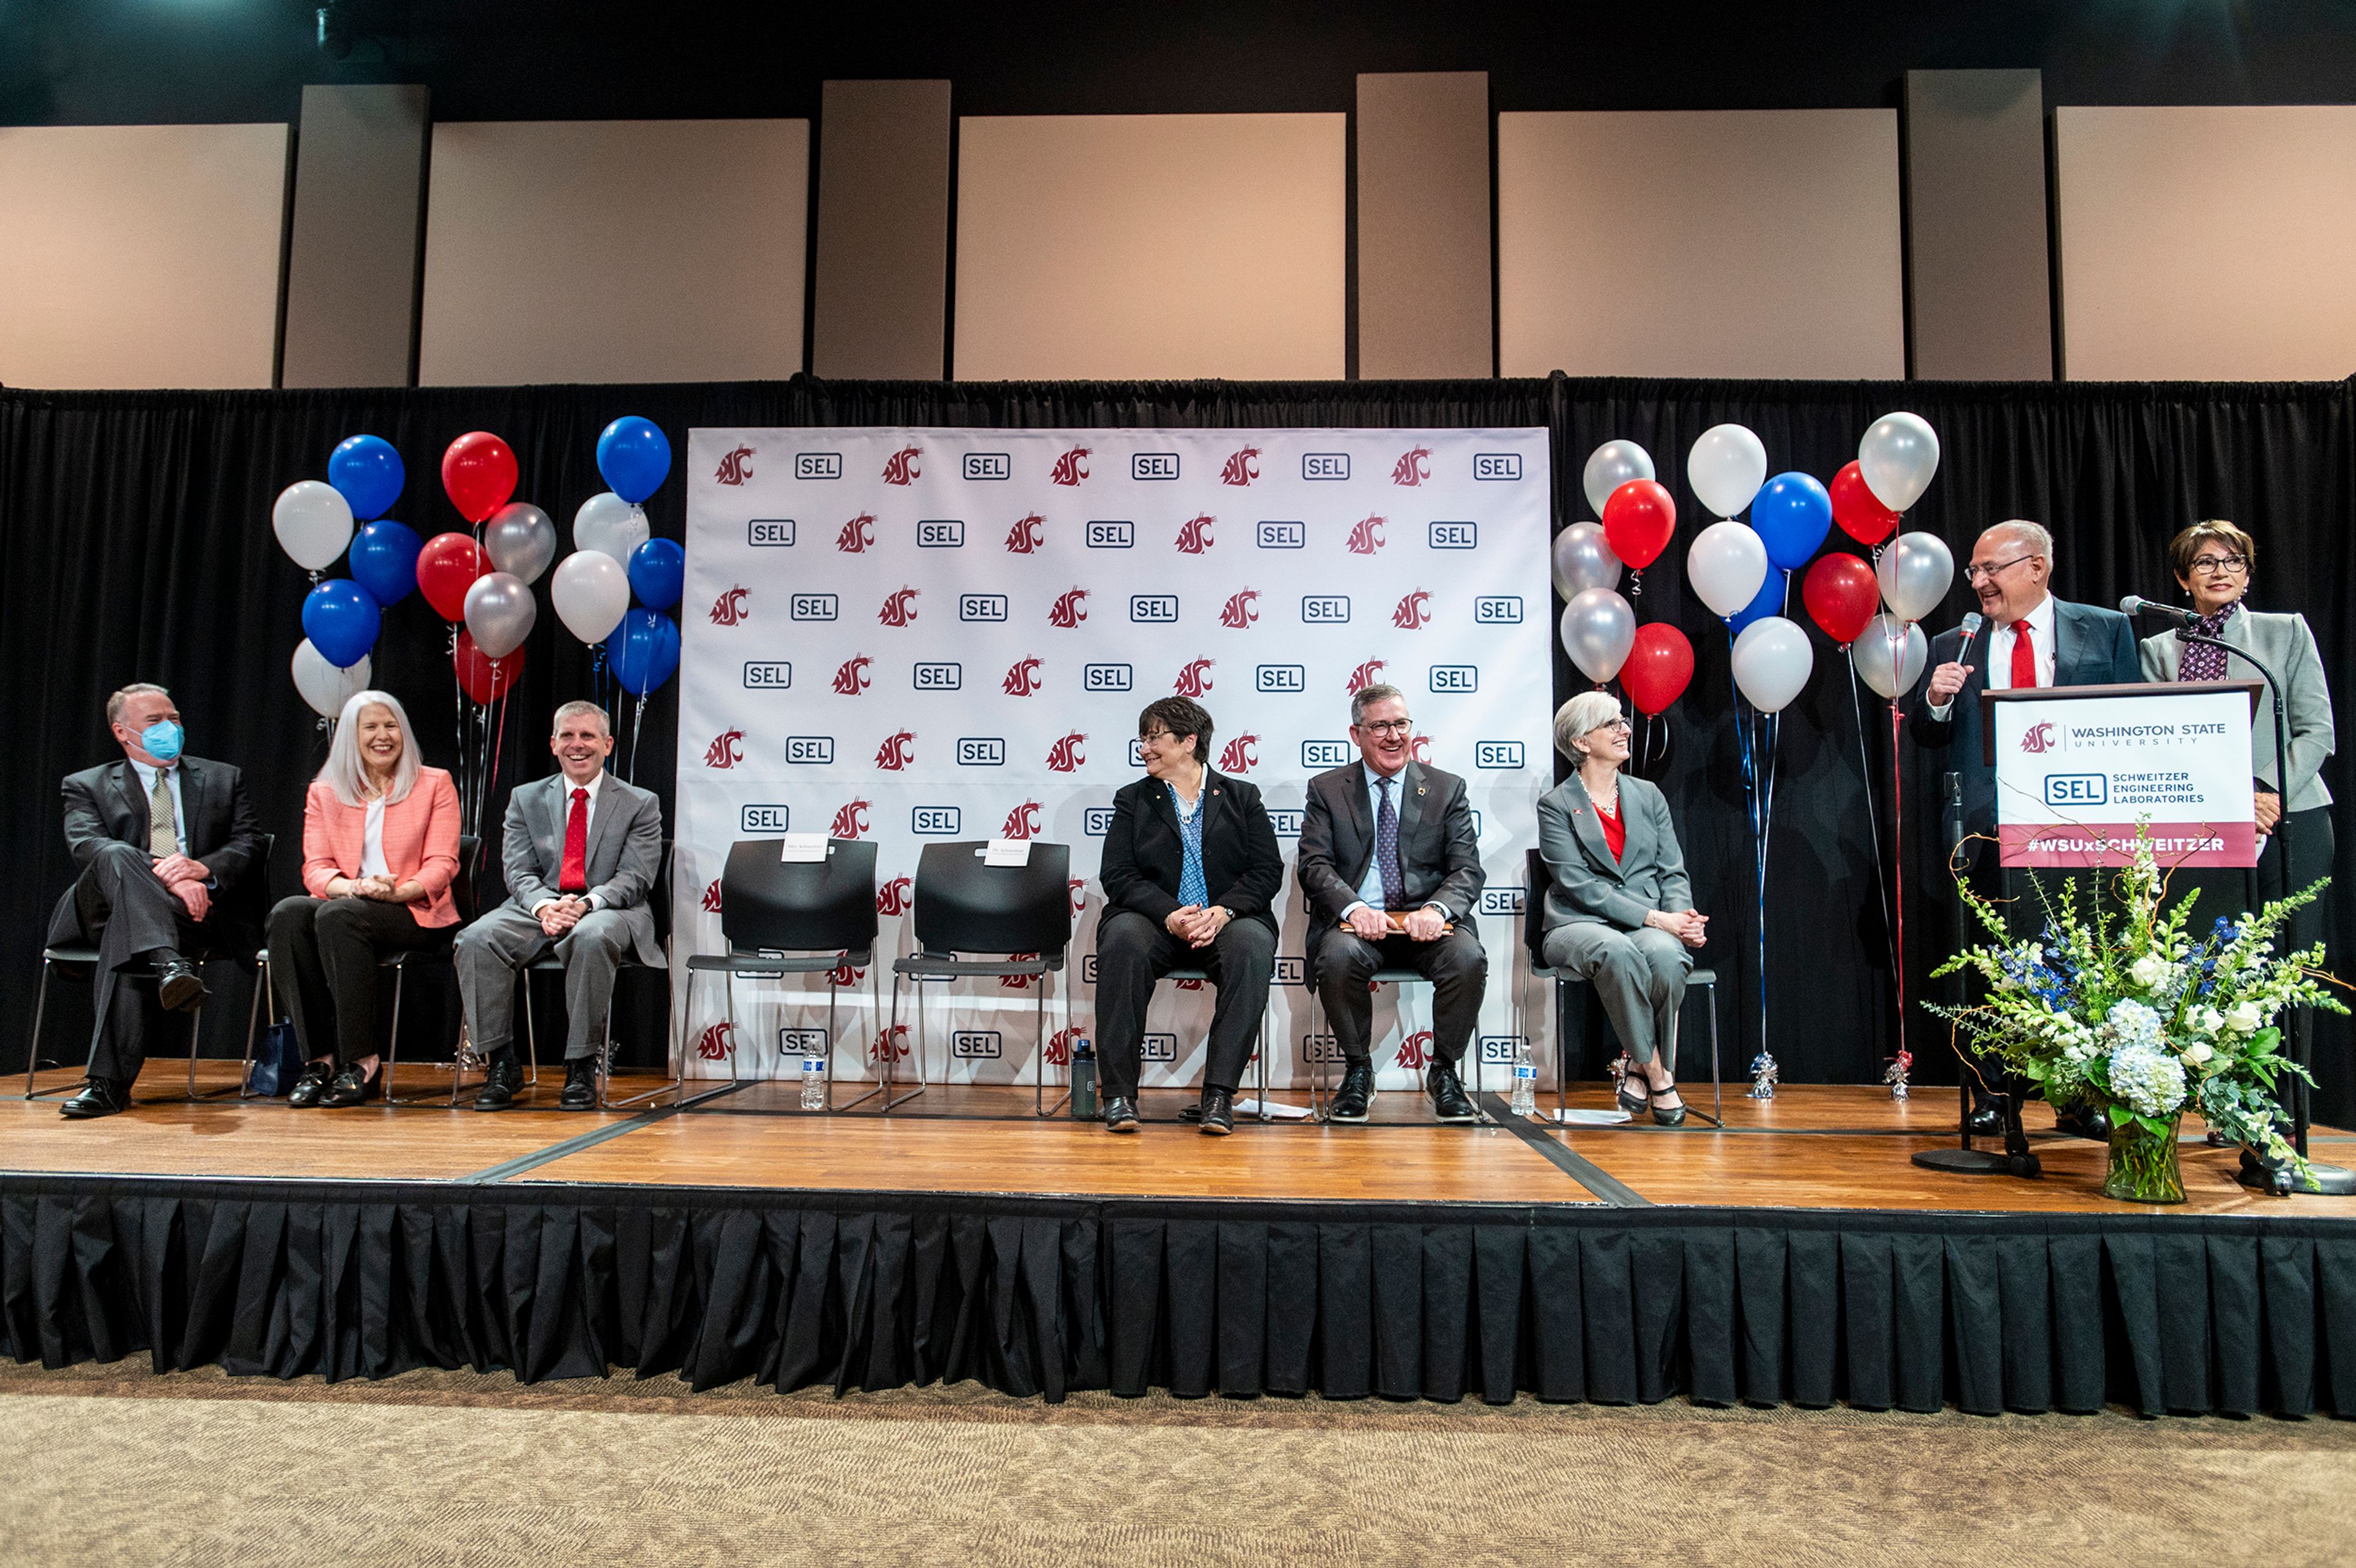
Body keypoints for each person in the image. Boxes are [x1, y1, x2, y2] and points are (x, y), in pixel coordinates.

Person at [1912, 519, 2142, 1140]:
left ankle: (2077, 1096)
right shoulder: (1952, 644)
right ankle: (1995, 1096)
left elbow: (2135, 716)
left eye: (1993, 569)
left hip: (2082, 823)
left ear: (2037, 567)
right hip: (1988, 830)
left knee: (2083, 961)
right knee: (1994, 968)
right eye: (1975, 571)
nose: (1980, 582)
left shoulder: (2105, 630)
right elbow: (1928, 737)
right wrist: (1934, 701)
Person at [48, 683, 262, 1119]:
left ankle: (108, 1085)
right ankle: (168, 963)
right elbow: (86, 846)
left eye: (175, 718)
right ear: (122, 732)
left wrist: (200, 870)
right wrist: (169, 877)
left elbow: (250, 843)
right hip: (101, 902)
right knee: (115, 853)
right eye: (155, 721)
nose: (170, 728)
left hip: (191, 914)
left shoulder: (223, 778)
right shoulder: (85, 785)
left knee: (126, 937)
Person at [459, 701, 664, 1111]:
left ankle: (581, 1064)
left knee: (590, 937)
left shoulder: (639, 803)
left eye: (587, 736)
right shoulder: (525, 798)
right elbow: (517, 870)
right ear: (553, 744)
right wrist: (543, 907)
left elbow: (636, 877)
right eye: (567, 736)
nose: (577, 745)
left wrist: (586, 904)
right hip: (539, 908)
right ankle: (501, 1062)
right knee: (476, 939)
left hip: (610, 908)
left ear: (607, 744)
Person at [1296, 683, 1487, 1123]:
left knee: (1467, 958)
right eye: (1379, 726)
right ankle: (1359, 1070)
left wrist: (1437, 911)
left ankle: (1444, 1072)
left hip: (1427, 924)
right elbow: (1315, 865)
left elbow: (1467, 869)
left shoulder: (1445, 788)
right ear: (1356, 733)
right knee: (1337, 957)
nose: (1393, 736)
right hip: (1358, 925)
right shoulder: (1327, 789)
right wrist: (1354, 909)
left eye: (1401, 724)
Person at [2136, 520, 2336, 941]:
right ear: (2183, 578)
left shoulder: (2286, 631)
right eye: (2205, 562)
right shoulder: (2156, 651)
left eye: (2233, 561)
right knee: (2212, 959)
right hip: (2202, 824)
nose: (2221, 571)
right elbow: (2158, 744)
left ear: (2247, 574)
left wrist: (2263, 791)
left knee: (2289, 959)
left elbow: (2317, 731)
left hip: (2287, 817)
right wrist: (2227, 799)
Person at [1093, 696, 1284, 1136]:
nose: (1144, 748)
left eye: (1154, 737)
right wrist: (1170, 914)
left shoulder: (1241, 797)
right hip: (1156, 921)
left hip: (1226, 920)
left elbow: (1266, 871)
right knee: (1122, 939)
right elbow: (1118, 875)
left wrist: (1223, 911)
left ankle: (1219, 1097)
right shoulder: (1133, 800)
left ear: (1189, 741)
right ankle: (1120, 1097)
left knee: (1253, 946)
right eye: (1143, 738)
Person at [266, 690, 461, 1108]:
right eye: (370, 727)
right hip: (350, 902)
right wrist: (356, 887)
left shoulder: (434, 783)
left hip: (413, 910)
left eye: (390, 726)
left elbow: (443, 862)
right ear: (350, 737)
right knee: (288, 914)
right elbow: (315, 869)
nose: (382, 736)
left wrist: (398, 890)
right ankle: (318, 1060)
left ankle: (362, 1061)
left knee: (339, 916)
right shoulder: (325, 792)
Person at [1536, 692, 1707, 1126]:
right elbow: (1580, 886)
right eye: (1611, 724)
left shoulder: (1648, 795)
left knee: (1668, 955)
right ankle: (1657, 1072)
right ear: (1580, 742)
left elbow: (1673, 872)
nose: (1625, 730)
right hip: (1578, 923)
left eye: (1622, 722)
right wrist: (1657, 918)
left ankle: (1634, 1065)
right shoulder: (1556, 805)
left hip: (1647, 922)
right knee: (1618, 951)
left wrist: (1683, 920)